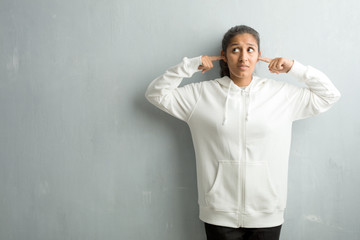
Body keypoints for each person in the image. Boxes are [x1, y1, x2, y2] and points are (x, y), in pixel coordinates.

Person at [145, 25, 341, 240]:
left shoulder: (280, 95)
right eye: (235, 49)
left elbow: (329, 95)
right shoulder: (200, 95)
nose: (243, 57)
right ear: (224, 56)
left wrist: (294, 68)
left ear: (259, 56)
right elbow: (156, 94)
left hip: (267, 212)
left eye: (250, 50)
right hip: (218, 213)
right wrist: (189, 66)